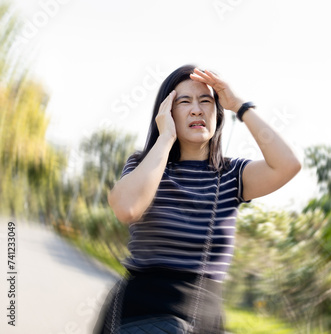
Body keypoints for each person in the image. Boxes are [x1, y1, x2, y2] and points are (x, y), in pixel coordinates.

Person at [92, 64, 301, 333]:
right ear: (166, 111)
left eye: (206, 101)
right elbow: (126, 208)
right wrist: (166, 137)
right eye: (184, 102)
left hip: (203, 317)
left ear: (217, 113)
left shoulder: (232, 175)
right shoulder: (144, 164)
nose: (197, 109)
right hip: (137, 315)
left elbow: (288, 165)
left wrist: (238, 105)